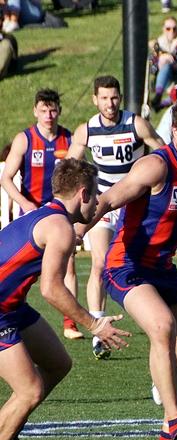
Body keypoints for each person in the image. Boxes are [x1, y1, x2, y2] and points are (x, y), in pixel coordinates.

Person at [77, 93, 177, 440]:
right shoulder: (157, 166)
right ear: (175, 130)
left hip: (164, 269)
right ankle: (176, 424)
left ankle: (170, 437)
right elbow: (110, 198)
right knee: (162, 326)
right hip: (127, 264)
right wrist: (80, 225)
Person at [0, 158, 129, 440]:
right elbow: (51, 289)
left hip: (11, 306)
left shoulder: (48, 216)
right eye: (96, 195)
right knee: (28, 390)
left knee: (58, 364)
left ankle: (9, 432)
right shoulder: (59, 227)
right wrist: (94, 324)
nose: (99, 202)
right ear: (83, 193)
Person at [67, 75, 164, 358]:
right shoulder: (86, 131)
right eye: (104, 98)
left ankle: (157, 320)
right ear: (94, 99)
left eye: (114, 98)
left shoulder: (136, 123)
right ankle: (98, 330)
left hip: (135, 204)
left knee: (146, 264)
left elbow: (164, 153)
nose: (110, 104)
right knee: (99, 264)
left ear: (120, 98)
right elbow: (69, 168)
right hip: (104, 204)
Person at [0, 89, 83, 341]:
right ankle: (13, 311)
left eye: (53, 109)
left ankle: (71, 324)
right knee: (24, 269)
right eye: (44, 110)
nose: (49, 115)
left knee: (68, 265)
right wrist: (26, 204)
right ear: (35, 111)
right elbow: (6, 177)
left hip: (60, 216)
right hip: (33, 218)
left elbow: (82, 176)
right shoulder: (25, 139)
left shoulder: (69, 139)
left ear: (59, 110)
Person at [148, 17, 177, 112]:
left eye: (174, 28)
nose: (171, 31)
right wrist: (160, 61)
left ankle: (162, 104)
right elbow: (151, 67)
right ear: (163, 29)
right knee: (166, 65)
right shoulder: (158, 43)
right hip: (164, 79)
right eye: (168, 28)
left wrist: (173, 63)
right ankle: (158, 95)